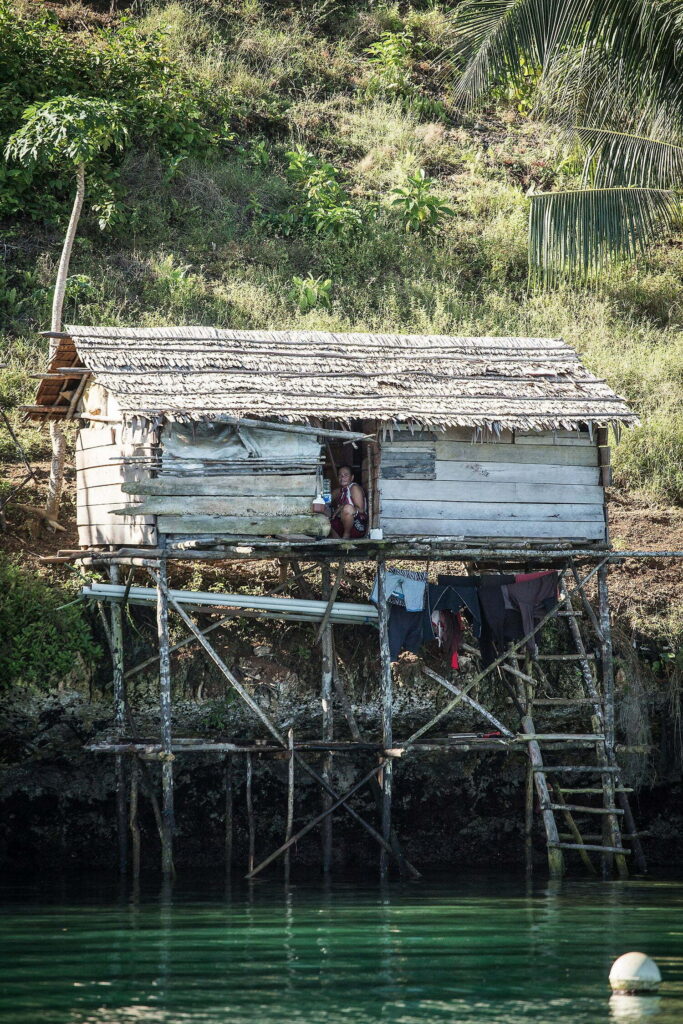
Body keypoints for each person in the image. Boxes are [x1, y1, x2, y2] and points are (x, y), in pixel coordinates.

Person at [329, 465, 368, 539]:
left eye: (346, 475)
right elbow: (328, 500)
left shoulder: (354, 488)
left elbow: (361, 510)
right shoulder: (339, 491)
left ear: (352, 477)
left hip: (357, 526)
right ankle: (337, 542)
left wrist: (342, 507)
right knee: (324, 512)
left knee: (347, 508)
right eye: (340, 475)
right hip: (342, 524)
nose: (342, 478)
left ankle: (346, 536)